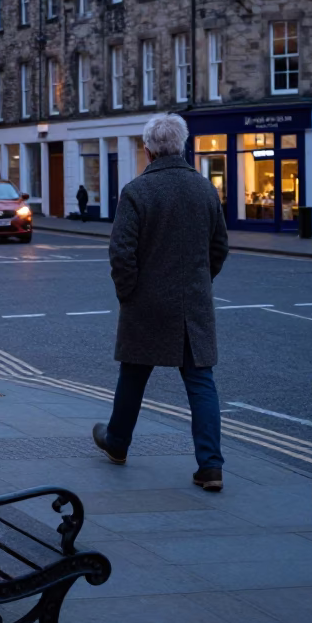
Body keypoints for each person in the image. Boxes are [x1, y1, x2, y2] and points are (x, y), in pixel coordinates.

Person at [92, 112, 229, 492]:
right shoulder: (205, 190)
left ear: (148, 150)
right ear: (181, 146)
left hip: (146, 303)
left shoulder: (137, 192)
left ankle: (117, 443)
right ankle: (211, 466)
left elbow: (122, 254)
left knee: (133, 374)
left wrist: (129, 294)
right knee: (201, 381)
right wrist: (200, 283)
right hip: (193, 304)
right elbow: (219, 248)